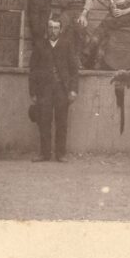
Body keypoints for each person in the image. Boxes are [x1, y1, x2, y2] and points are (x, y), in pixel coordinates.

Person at [28, 19, 79, 162]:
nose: (53, 30)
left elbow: (74, 70)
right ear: (47, 29)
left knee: (61, 121)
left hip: (62, 89)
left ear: (60, 29)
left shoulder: (67, 45)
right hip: (44, 89)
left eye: (56, 28)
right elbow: (33, 70)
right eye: (50, 27)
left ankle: (61, 154)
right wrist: (32, 92)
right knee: (44, 121)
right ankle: (44, 154)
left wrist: (73, 90)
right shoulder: (40, 46)